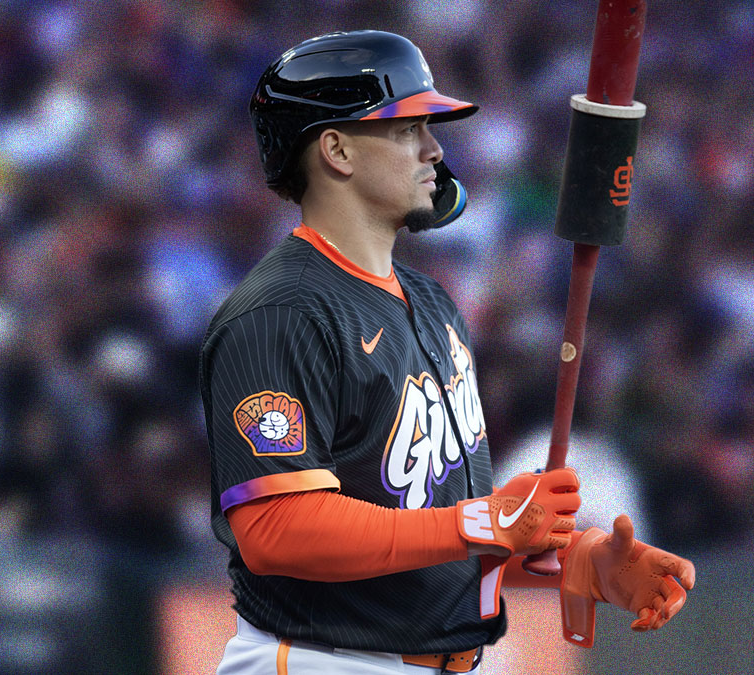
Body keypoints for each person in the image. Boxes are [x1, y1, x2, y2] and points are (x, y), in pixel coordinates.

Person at [201, 30, 696, 674]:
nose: (434, 147)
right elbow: (276, 532)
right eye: (407, 128)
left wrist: (580, 563)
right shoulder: (282, 313)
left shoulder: (433, 304)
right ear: (336, 149)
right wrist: (482, 523)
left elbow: (439, 524)